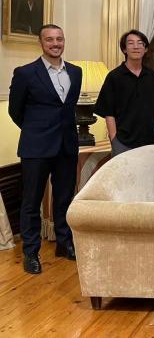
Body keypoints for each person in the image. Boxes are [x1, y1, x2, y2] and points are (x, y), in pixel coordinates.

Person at [8, 24, 82, 274]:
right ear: (41, 43)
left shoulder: (76, 72)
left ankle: (64, 243)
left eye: (59, 39)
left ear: (64, 41)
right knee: (31, 202)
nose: (55, 43)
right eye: (49, 39)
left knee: (64, 198)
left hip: (67, 146)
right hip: (36, 146)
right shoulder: (25, 73)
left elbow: (68, 108)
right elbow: (15, 111)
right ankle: (31, 253)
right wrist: (35, 130)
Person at [94, 29, 154, 157]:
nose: (136, 47)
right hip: (123, 142)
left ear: (145, 49)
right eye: (131, 43)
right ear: (124, 49)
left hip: (150, 141)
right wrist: (114, 139)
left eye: (140, 43)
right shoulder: (114, 77)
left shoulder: (152, 76)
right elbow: (108, 112)